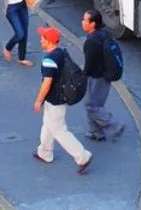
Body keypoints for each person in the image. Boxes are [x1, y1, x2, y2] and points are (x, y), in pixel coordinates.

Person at [34, 26, 94, 174]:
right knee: (49, 125)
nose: (40, 39)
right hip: (62, 97)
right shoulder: (61, 53)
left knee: (59, 130)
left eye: (43, 37)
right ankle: (45, 152)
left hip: (55, 100)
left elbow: (47, 83)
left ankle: (83, 156)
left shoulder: (49, 60)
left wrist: (38, 101)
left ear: (48, 41)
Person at [82, 10, 125, 142]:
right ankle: (96, 132)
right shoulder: (104, 34)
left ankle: (114, 126)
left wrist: (82, 75)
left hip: (97, 77)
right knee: (95, 103)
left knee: (92, 106)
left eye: (85, 20)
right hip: (104, 75)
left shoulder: (91, 41)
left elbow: (88, 64)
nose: (82, 22)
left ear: (92, 24)